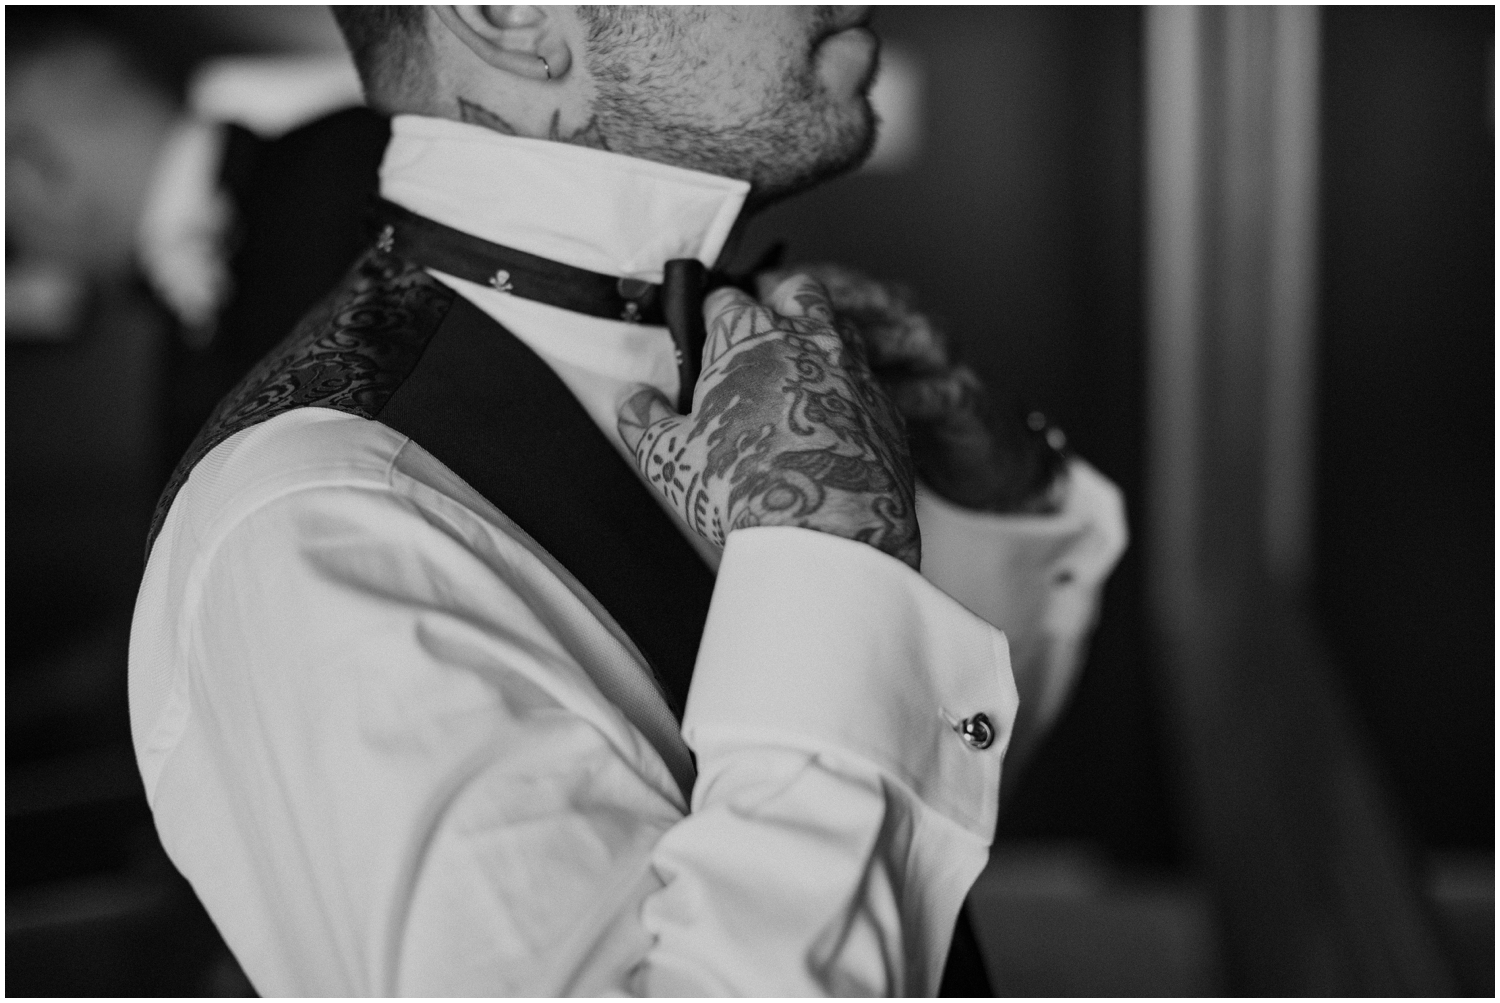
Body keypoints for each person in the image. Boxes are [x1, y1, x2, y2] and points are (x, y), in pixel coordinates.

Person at [129, 6, 1126, 996]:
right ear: (510, 17)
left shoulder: (738, 350)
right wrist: (824, 551)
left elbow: (912, 870)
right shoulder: (319, 527)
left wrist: (990, 503)